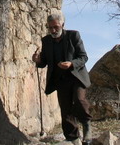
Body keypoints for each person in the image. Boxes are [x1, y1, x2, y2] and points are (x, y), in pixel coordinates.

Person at [32, 11, 92, 145]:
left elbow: (83, 57)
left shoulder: (73, 35)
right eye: (50, 27)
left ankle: (87, 125)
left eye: (56, 27)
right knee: (66, 110)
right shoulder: (46, 41)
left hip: (76, 77)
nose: (53, 30)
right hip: (60, 79)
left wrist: (71, 64)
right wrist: (37, 60)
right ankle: (72, 138)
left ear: (62, 25)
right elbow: (44, 62)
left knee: (79, 100)